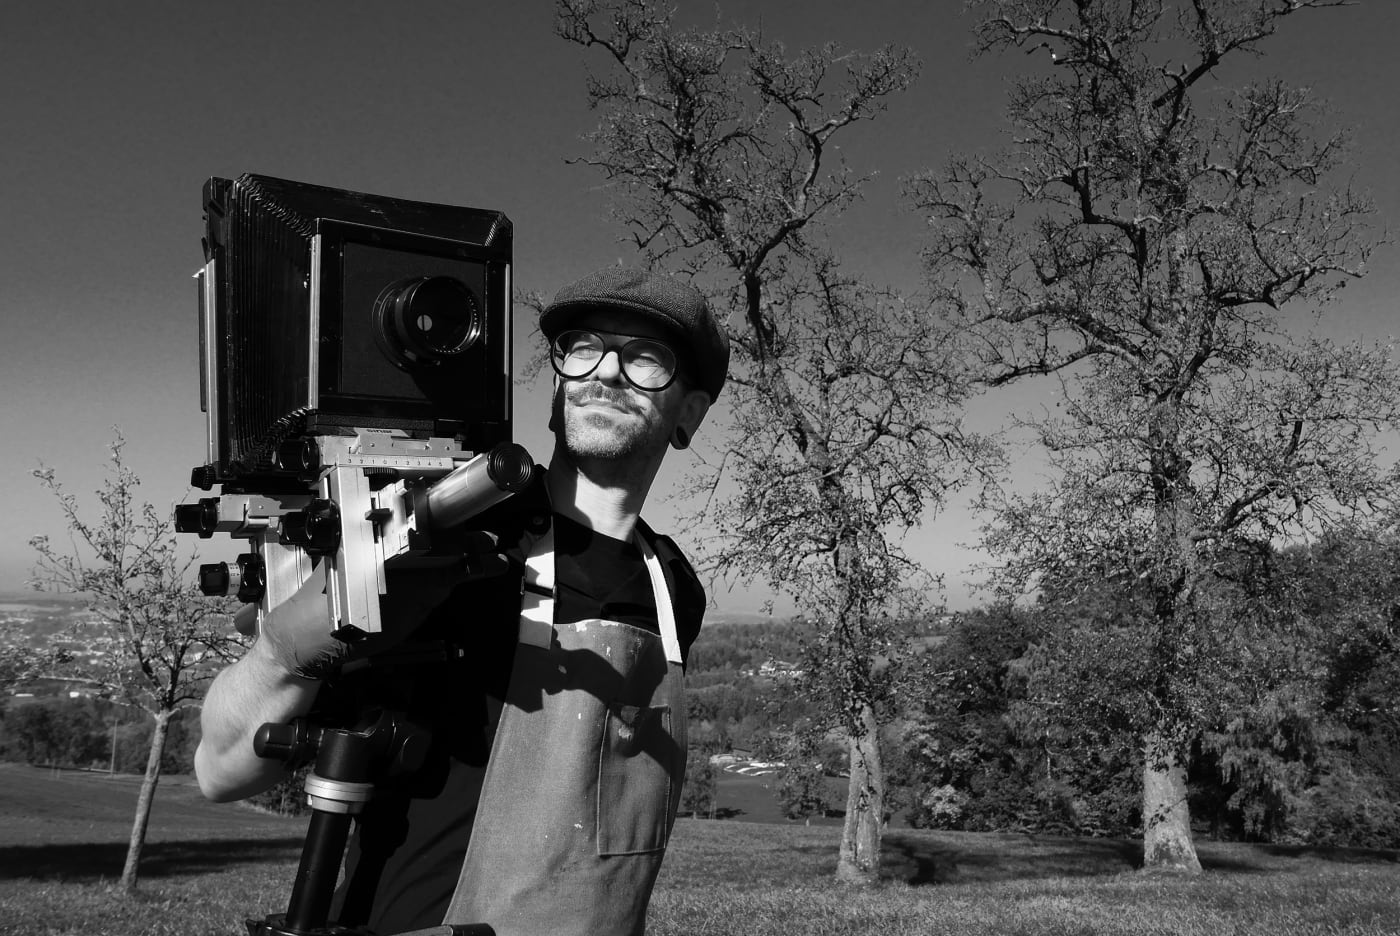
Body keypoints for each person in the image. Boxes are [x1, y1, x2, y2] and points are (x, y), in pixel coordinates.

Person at [194, 266, 729, 936]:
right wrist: (281, 653)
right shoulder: (450, 542)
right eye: (583, 347)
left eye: (647, 357)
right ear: (557, 390)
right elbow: (220, 773)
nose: (608, 371)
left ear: (689, 414)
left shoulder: (674, 586)